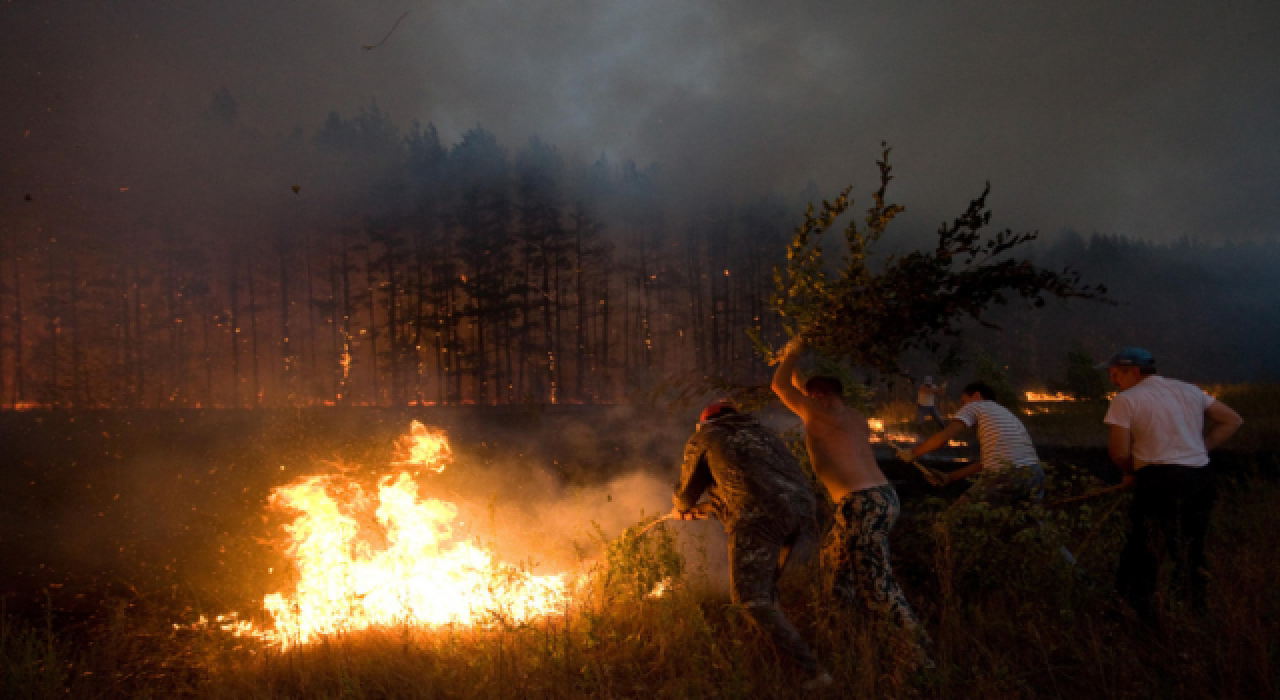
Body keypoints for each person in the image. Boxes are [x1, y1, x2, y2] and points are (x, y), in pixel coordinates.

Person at [771, 337, 927, 663]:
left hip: (862, 504)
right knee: (834, 567)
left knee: (876, 581)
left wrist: (794, 350)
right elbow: (798, 386)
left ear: (818, 396)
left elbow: (780, 386)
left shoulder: (819, 412)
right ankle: (844, 639)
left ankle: (915, 655)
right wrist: (790, 362)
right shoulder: (853, 416)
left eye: (810, 396)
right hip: (880, 498)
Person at [671, 398, 829, 685]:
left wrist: (681, 506)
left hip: (760, 519)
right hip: (803, 513)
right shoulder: (763, 435)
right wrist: (708, 508)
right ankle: (772, 659)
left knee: (750, 600)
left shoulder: (707, 436)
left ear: (704, 423)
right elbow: (750, 485)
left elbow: (684, 497)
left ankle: (812, 671)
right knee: (767, 594)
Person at [1099, 347, 1243, 620]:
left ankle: (1134, 613)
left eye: (1115, 373)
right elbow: (1232, 420)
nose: (1112, 379)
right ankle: (1193, 610)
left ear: (1134, 371)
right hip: (1200, 478)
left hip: (1160, 481)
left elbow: (1118, 452)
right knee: (1190, 547)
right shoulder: (1189, 391)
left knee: (1144, 549)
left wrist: (1133, 471)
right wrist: (1200, 448)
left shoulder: (1126, 400)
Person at [901, 381, 1044, 506]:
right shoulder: (1004, 414)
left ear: (976, 395)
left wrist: (912, 453)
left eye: (963, 401)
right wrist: (950, 477)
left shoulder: (976, 405)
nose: (962, 405)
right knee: (1026, 522)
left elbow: (943, 438)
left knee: (957, 517)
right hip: (1035, 474)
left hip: (1006, 475)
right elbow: (986, 463)